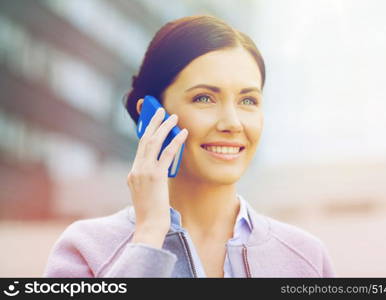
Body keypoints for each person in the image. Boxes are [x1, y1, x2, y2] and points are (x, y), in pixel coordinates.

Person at [44, 15, 335, 278]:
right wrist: (148, 236)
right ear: (152, 114)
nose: (232, 123)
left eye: (248, 100)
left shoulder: (305, 257)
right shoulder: (85, 250)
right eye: (204, 98)